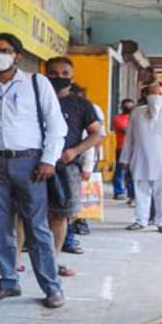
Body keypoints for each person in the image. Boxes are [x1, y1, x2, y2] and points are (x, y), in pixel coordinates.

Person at [0, 33, 66, 309]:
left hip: (31, 164)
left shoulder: (36, 83)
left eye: (4, 51)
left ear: (17, 55)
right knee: (0, 225)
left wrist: (49, 160)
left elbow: (56, 125)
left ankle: (52, 287)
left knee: (37, 227)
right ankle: (8, 282)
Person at [45, 59, 102, 273]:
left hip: (65, 167)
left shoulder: (82, 105)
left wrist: (75, 152)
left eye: (64, 73)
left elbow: (97, 134)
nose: (59, 77)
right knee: (24, 215)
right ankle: (14, 264)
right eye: (53, 73)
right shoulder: (34, 101)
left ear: (72, 75)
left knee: (60, 215)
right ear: (45, 74)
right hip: (34, 164)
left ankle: (52, 262)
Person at [120, 83, 162, 234]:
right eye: (152, 93)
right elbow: (129, 137)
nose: (155, 97)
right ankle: (140, 220)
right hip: (141, 158)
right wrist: (125, 158)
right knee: (141, 191)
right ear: (146, 96)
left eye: (159, 94)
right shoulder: (137, 113)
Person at [71, 84, 106, 237]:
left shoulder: (91, 109)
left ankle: (81, 221)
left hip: (85, 155)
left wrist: (89, 164)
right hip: (71, 157)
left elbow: (97, 136)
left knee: (84, 191)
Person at [112, 98, 136, 201]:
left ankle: (132, 194)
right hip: (121, 147)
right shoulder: (118, 118)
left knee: (132, 172)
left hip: (134, 148)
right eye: (126, 106)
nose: (128, 108)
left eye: (130, 106)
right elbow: (125, 130)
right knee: (120, 170)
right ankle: (118, 192)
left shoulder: (135, 118)